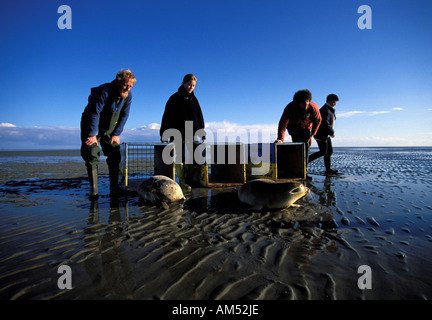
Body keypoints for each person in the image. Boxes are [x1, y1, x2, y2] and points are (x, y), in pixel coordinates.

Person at [80, 70, 136, 198]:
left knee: (115, 154)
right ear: (118, 81)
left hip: (110, 129)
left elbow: (124, 114)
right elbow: (94, 112)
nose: (128, 88)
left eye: (131, 86)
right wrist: (93, 134)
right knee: (91, 153)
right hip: (91, 125)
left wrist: (116, 133)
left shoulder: (128, 95)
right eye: (125, 85)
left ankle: (115, 189)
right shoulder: (104, 91)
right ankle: (94, 191)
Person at [160, 74, 206, 190]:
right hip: (178, 132)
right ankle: (183, 181)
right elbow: (166, 117)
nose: (191, 87)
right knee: (180, 157)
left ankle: (190, 179)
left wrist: (202, 132)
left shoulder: (194, 100)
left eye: (193, 85)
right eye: (189, 84)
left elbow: (199, 117)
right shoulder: (174, 98)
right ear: (183, 83)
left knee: (192, 157)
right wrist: (164, 133)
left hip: (193, 132)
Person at [275, 89, 322, 180]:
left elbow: (318, 120)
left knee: (306, 147)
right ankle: (295, 169)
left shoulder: (313, 107)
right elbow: (282, 124)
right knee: (297, 149)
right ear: (298, 103)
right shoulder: (290, 108)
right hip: (294, 128)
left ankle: (303, 171)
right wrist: (280, 138)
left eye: (308, 102)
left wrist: (312, 135)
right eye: (303, 103)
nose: (306, 105)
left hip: (307, 128)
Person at [309, 94, 339, 174]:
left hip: (326, 134)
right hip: (321, 134)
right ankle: (304, 163)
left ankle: (328, 169)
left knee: (329, 151)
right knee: (323, 152)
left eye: (335, 102)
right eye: (334, 101)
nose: (335, 103)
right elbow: (324, 123)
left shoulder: (330, 109)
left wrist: (330, 132)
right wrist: (331, 132)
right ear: (329, 101)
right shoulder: (325, 110)